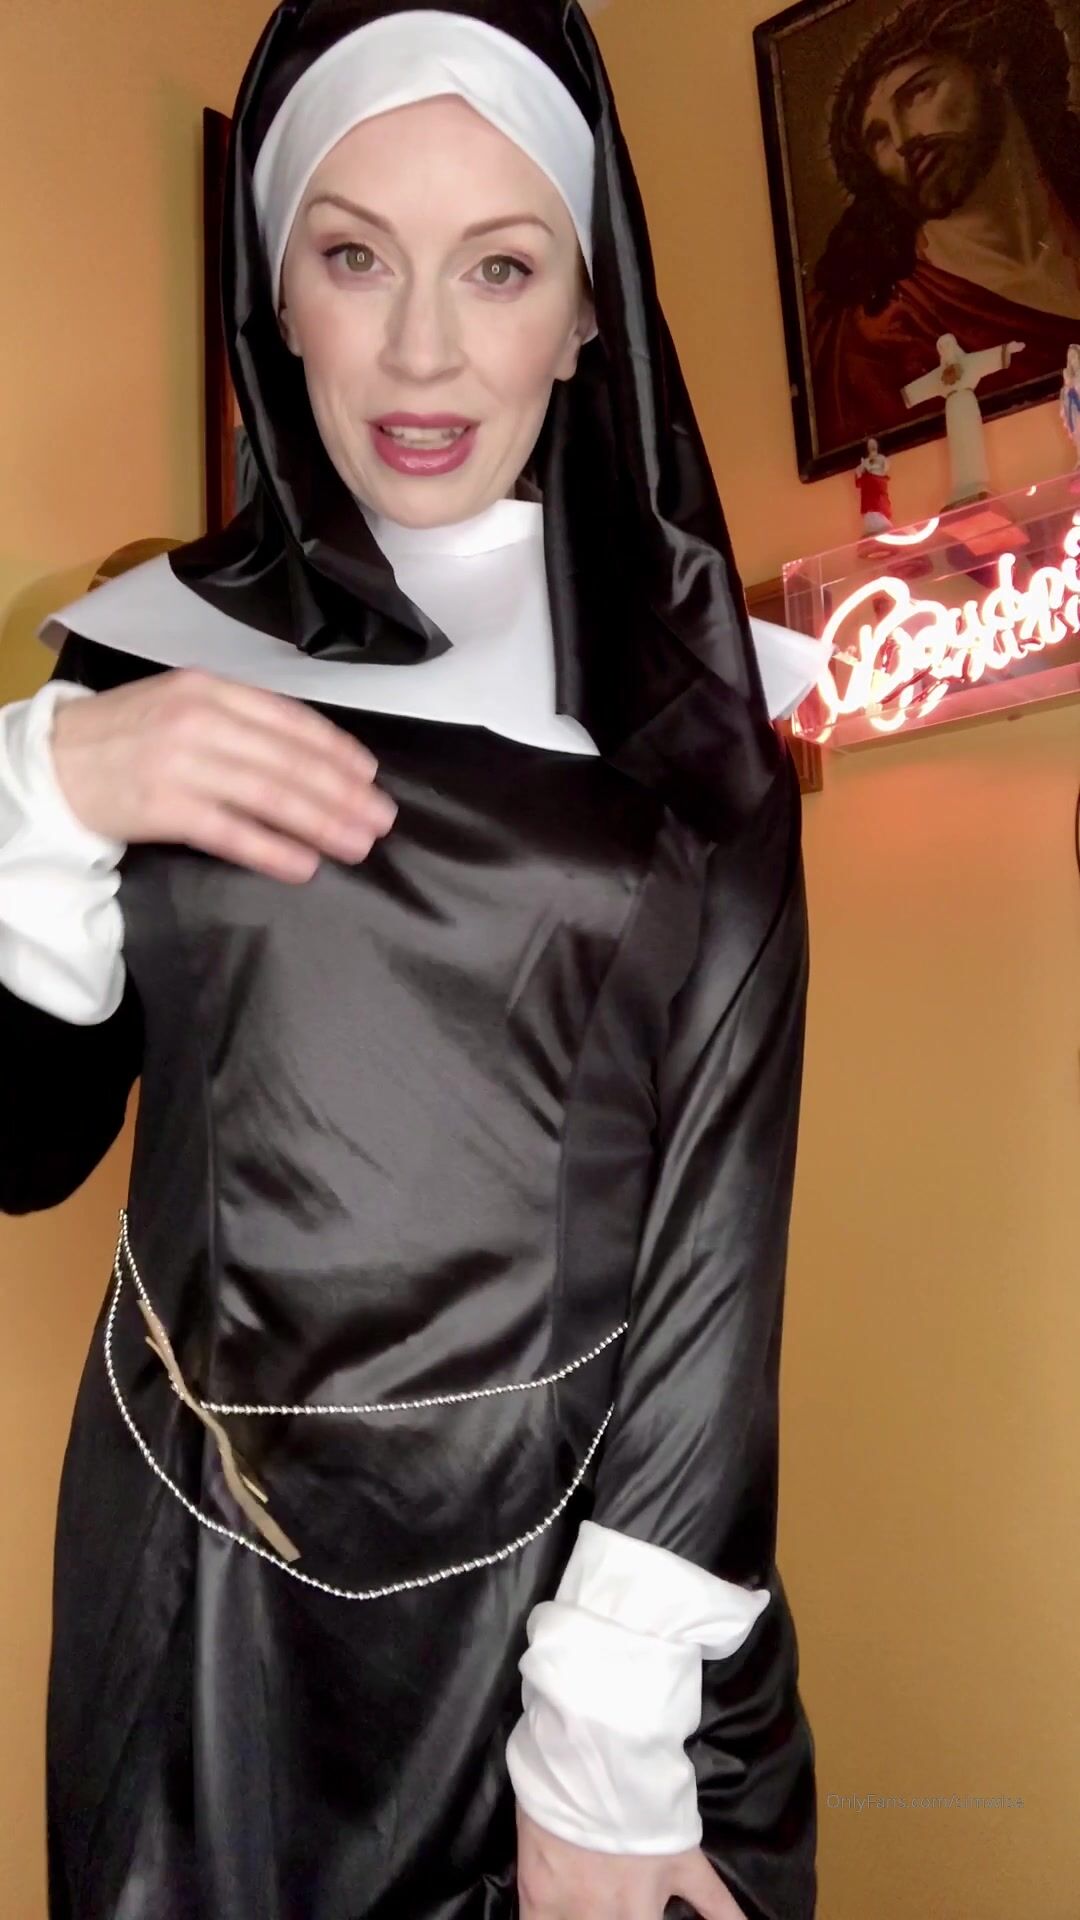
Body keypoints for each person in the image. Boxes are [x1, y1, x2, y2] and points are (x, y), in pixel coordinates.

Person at [0, 4, 822, 1916]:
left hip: (590, 1593)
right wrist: (51, 783)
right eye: (356, 256)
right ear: (276, 290)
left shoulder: (697, 697)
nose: (427, 351)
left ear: (592, 311)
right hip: (196, 1590)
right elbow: (23, 1150)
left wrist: (610, 1713)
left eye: (503, 268)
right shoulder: (132, 650)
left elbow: (725, 1213)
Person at [809, 0, 1080, 451]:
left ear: (992, 62)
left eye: (917, 92)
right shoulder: (878, 337)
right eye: (878, 137)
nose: (903, 141)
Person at [901, 331, 1025, 503]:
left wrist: (1008, 349)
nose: (946, 348)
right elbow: (920, 387)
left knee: (973, 442)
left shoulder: (969, 362)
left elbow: (987, 358)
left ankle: (977, 480)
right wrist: (907, 394)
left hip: (967, 406)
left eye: (948, 344)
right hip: (953, 411)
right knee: (957, 445)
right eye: (942, 346)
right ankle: (961, 485)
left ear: (954, 345)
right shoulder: (939, 375)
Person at [854, 437, 893, 533]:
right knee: (870, 510)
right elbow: (858, 472)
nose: (872, 446)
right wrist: (863, 468)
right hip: (869, 488)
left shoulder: (882, 458)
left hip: (879, 485)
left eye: (874, 444)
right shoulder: (865, 461)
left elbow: (885, 468)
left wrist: (874, 470)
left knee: (880, 505)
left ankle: (883, 527)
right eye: (870, 445)